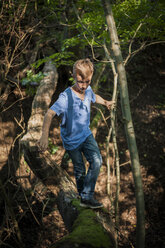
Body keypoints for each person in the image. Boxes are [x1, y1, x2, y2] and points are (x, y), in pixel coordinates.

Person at [37, 58, 114, 209]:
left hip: (86, 135)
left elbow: (93, 96)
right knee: (79, 169)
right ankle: (84, 198)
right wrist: (44, 136)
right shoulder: (66, 97)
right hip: (72, 141)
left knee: (97, 161)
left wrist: (105, 102)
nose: (84, 86)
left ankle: (86, 196)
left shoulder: (88, 90)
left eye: (87, 81)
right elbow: (49, 114)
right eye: (80, 81)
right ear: (73, 76)